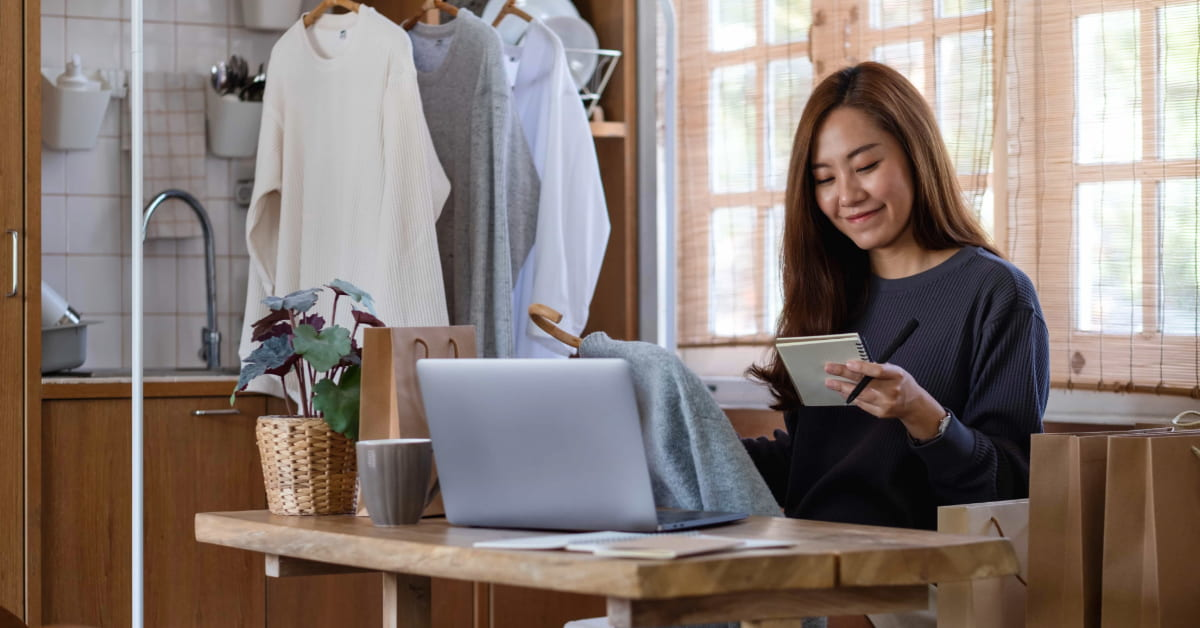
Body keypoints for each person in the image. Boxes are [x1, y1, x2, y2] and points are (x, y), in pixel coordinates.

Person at [745, 61, 1049, 532]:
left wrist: (923, 415)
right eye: (824, 179)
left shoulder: (995, 293)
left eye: (866, 166)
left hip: (922, 576)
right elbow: (810, 466)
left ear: (915, 155)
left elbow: (1010, 490)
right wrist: (678, 439)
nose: (846, 195)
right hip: (810, 559)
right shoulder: (827, 289)